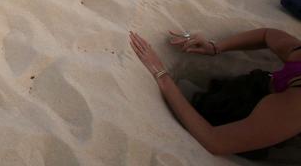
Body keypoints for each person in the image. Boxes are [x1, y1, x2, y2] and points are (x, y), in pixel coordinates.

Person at [129, 28, 301, 157]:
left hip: (254, 115)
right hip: (265, 89)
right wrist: (216, 47)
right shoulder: (297, 54)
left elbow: (215, 141)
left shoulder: (295, 105)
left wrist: (162, 75)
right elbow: (267, 35)